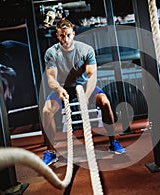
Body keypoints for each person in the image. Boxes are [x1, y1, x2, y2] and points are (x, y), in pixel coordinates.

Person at [42, 18, 126, 166]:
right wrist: (59, 89)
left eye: (68, 35)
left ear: (73, 34)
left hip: (84, 86)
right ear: (57, 35)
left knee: (104, 102)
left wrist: (86, 95)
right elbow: (51, 79)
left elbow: (91, 75)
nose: (66, 39)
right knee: (47, 111)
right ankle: (50, 152)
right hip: (63, 88)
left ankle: (113, 141)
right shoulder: (51, 53)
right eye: (62, 36)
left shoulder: (86, 50)